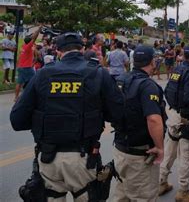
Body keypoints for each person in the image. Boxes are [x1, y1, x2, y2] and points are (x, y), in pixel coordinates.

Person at [10, 33, 124, 201]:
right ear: (83, 49)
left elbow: (17, 120)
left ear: (58, 51)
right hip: (83, 159)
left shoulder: (42, 74)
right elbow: (119, 114)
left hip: (48, 159)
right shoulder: (98, 73)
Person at [112, 45, 166, 202]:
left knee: (122, 194)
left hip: (121, 149)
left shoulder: (121, 79)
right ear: (152, 62)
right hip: (140, 155)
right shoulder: (148, 85)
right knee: (144, 196)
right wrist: (160, 148)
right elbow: (154, 119)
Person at [159, 46, 189, 202]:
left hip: (173, 114)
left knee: (169, 150)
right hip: (185, 118)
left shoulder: (177, 70)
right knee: (186, 154)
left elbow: (168, 91)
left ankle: (161, 182)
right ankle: (183, 191)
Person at [15, 26, 42, 101]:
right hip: (27, 67)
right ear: (29, 42)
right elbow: (34, 37)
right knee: (35, 80)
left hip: (21, 67)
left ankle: (16, 97)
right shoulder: (28, 47)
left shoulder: (23, 46)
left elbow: (32, 37)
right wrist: (39, 29)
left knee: (19, 83)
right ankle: (35, 96)